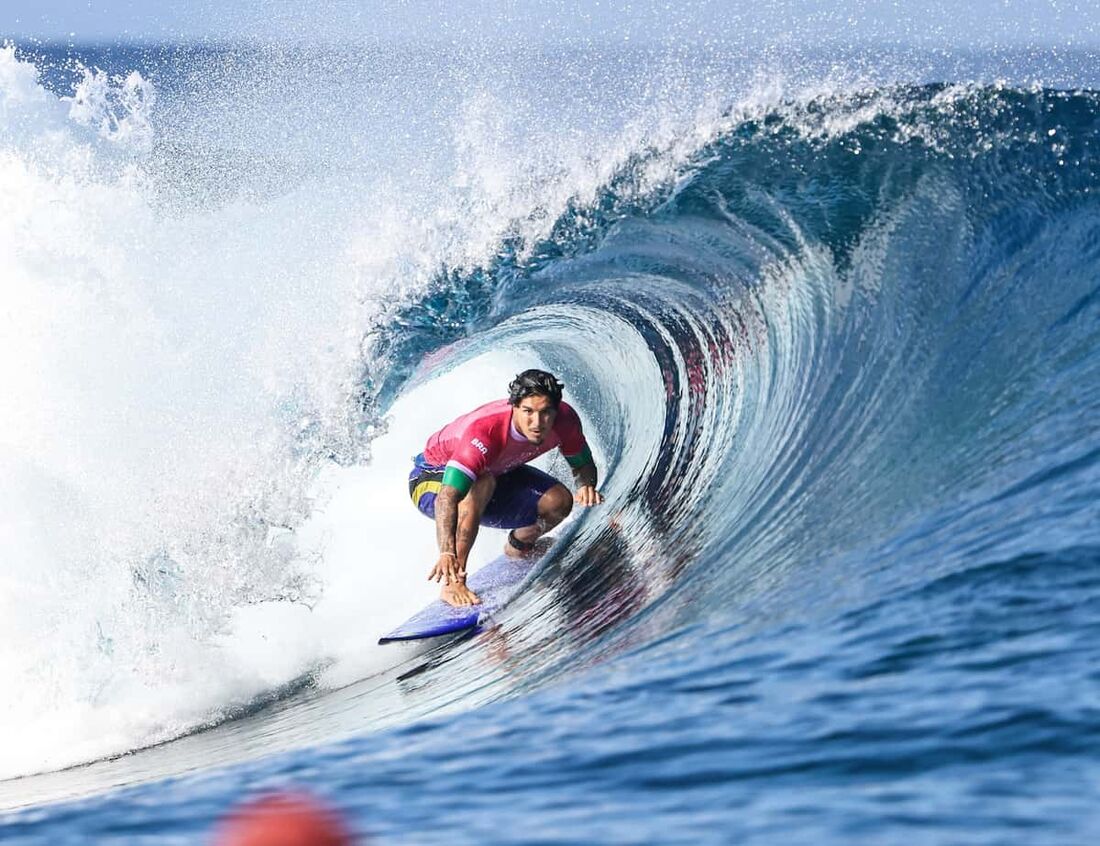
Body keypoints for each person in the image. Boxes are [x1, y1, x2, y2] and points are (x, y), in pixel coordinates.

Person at [408, 369, 604, 606]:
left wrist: (586, 486)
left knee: (559, 501)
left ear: (556, 409)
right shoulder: (485, 432)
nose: (537, 423)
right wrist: (447, 552)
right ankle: (452, 584)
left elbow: (582, 464)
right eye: (528, 412)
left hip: (495, 473)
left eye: (545, 413)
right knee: (483, 481)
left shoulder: (565, 420)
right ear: (514, 407)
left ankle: (519, 546)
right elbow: (447, 498)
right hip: (430, 481)